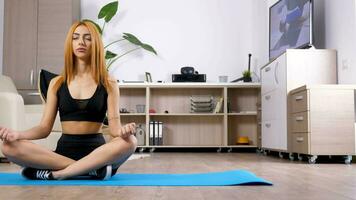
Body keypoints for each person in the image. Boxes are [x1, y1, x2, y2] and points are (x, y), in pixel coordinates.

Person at [0, 21, 137, 180]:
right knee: (9, 147)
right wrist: (17, 134)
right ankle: (90, 170)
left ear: (95, 44)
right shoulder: (56, 83)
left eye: (87, 38)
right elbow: (44, 128)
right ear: (70, 44)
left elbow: (114, 129)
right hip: (65, 152)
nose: (81, 42)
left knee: (130, 141)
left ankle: (60, 173)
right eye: (76, 38)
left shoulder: (109, 83)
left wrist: (124, 132)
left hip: (97, 152)